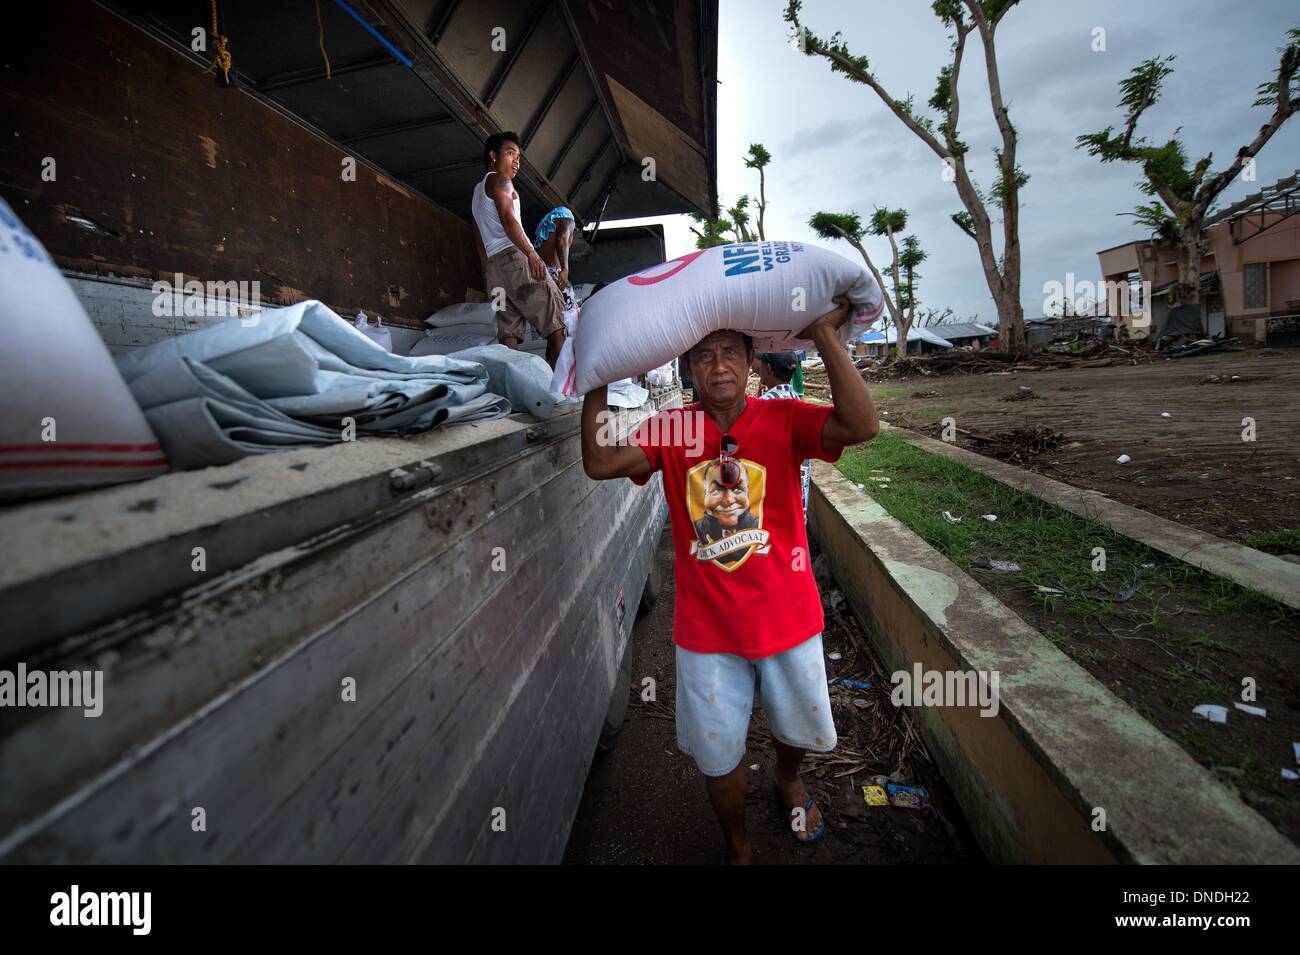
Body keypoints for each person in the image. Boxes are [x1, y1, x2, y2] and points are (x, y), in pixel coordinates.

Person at [580, 297, 880, 864]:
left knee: (796, 730)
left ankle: (789, 782)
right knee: (718, 758)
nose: (717, 367)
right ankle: (738, 847)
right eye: (704, 357)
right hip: (706, 634)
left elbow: (863, 424)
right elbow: (598, 461)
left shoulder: (785, 418)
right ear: (689, 368)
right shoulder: (669, 429)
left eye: (729, 355)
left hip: (788, 620)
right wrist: (596, 374)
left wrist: (824, 335)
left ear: (751, 362)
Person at [471, 131, 566, 367]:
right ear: (493, 156)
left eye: (519, 157)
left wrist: (487, 272)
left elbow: (477, 237)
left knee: (508, 333)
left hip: (495, 269)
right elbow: (508, 218)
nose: (516, 161)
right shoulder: (501, 180)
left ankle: (514, 395)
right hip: (515, 259)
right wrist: (532, 254)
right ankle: (564, 393)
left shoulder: (476, 192)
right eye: (510, 153)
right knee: (556, 322)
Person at [754, 351, 811, 518]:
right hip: (796, 500)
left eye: (762, 365)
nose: (759, 370)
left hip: (773, 500)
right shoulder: (799, 402)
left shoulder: (763, 405)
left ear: (769, 368)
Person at [533, 206, 577, 314]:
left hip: (542, 277)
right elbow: (562, 239)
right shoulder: (567, 219)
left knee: (550, 321)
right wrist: (565, 269)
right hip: (556, 278)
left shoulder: (545, 233)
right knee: (568, 318)